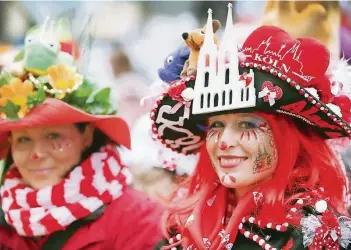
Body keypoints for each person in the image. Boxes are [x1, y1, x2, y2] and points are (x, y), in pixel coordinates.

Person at [152, 5, 351, 250]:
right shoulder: (182, 222)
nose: (224, 141)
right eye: (215, 125)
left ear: (286, 137)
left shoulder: (316, 234)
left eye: (247, 123)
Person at [0, 20, 163, 250]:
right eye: (24, 139)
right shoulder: (5, 213)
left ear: (87, 136)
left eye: (54, 136)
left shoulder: (137, 218)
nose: (37, 153)